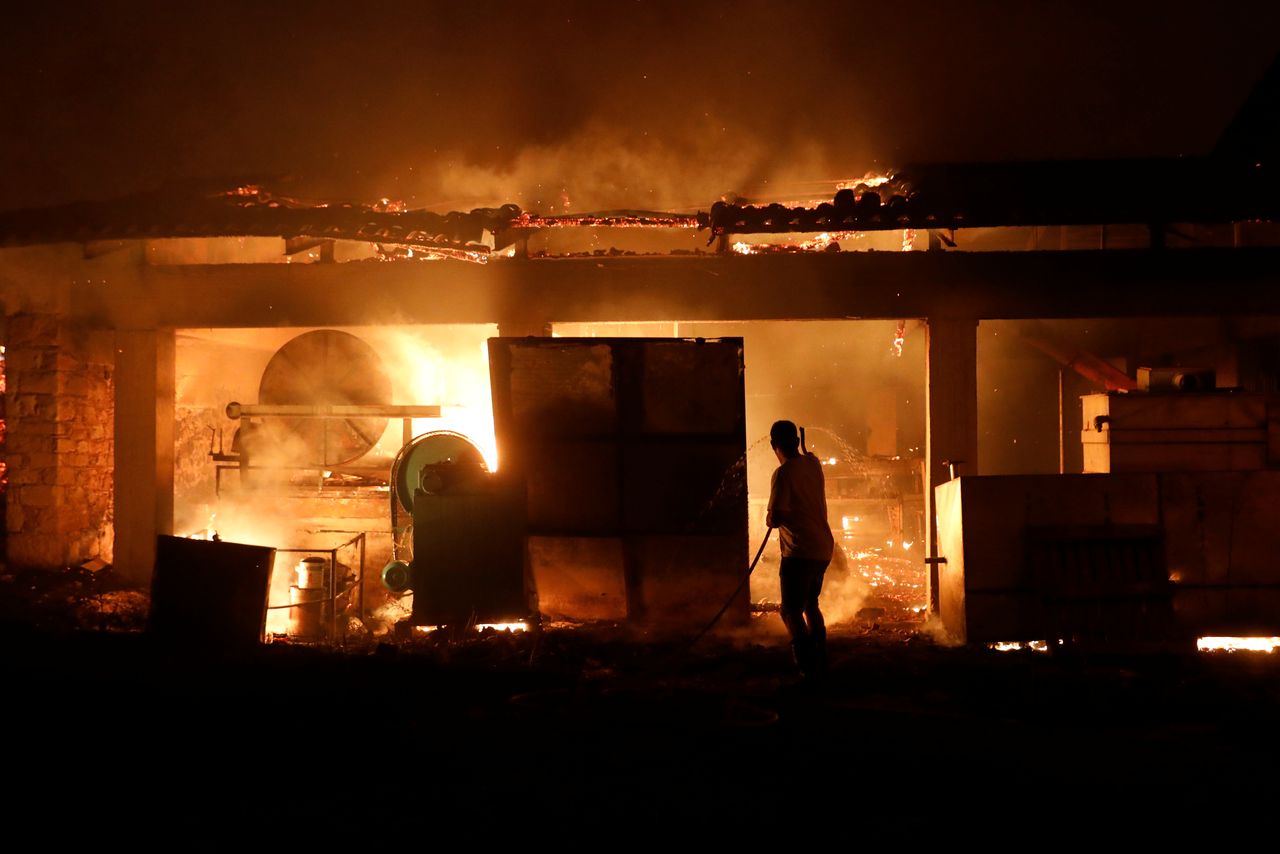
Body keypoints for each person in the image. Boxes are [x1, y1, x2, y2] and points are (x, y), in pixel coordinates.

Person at [766, 420, 835, 681]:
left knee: (790, 611)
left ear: (774, 445)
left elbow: (779, 515)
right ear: (796, 442)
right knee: (810, 603)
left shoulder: (782, 474)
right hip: (822, 547)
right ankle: (821, 657)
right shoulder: (814, 465)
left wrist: (770, 518)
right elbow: (810, 456)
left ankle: (807, 669)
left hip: (799, 550)